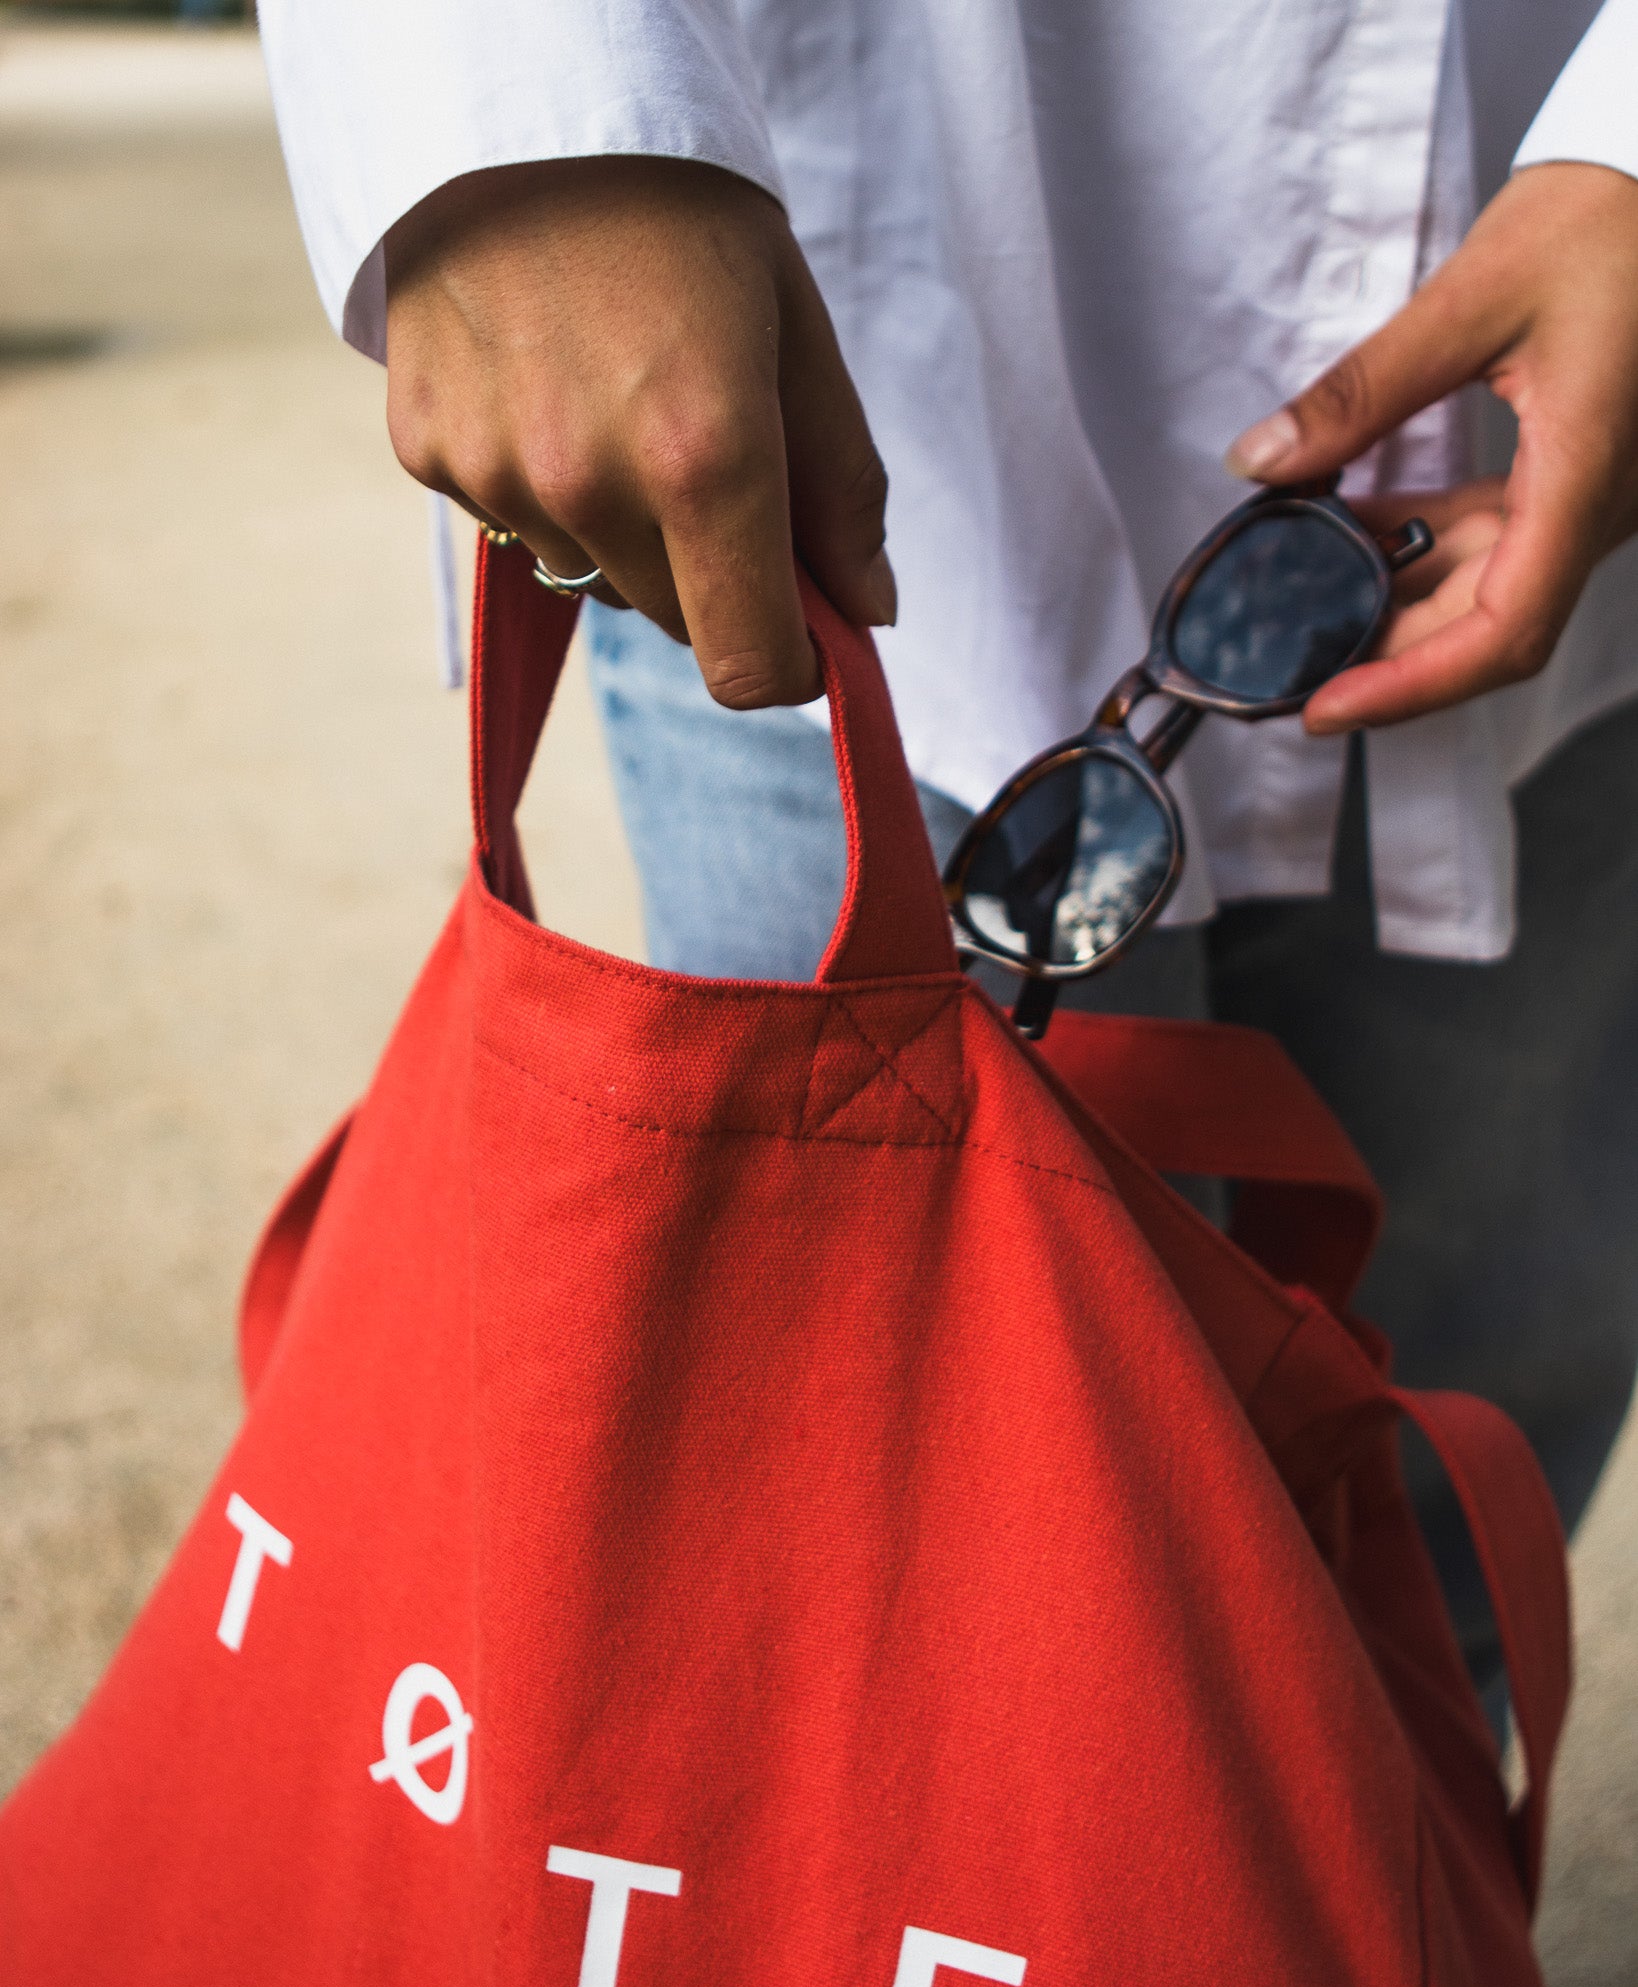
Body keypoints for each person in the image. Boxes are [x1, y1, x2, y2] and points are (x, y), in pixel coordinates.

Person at [257, 0, 1638, 1705]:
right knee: (900, 1577)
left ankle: (1376, 1953)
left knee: (1458, 1454)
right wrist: (511, 103)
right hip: (805, 358)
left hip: (1553, 392)